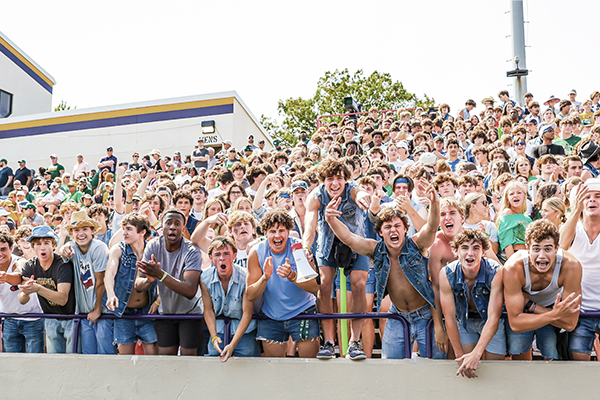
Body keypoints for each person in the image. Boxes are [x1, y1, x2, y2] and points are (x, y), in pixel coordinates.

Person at [325, 183, 444, 359]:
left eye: (397, 226)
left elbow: (432, 227)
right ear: (380, 232)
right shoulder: (375, 249)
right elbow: (350, 239)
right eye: (387, 227)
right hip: (397, 316)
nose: (393, 230)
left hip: (425, 315)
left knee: (435, 369)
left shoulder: (417, 244)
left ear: (405, 229)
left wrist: (434, 204)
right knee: (391, 370)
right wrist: (331, 220)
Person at [303, 158, 371, 360]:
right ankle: (329, 341)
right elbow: (309, 226)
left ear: (345, 180)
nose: (334, 183)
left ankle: (354, 341)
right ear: (323, 180)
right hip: (328, 246)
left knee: (359, 284)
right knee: (324, 285)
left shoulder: (352, 190)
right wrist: (307, 246)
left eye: (339, 178)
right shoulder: (316, 197)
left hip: (355, 244)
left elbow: (361, 193)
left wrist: (364, 197)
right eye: (330, 178)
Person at [503, 219, 582, 360]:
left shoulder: (571, 266)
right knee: (517, 347)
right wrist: (555, 315)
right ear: (527, 248)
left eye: (548, 249)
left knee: (552, 351)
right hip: (529, 310)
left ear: (557, 248)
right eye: (536, 249)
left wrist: (532, 306)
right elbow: (515, 323)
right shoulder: (514, 268)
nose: (541, 256)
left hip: (547, 306)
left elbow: (570, 323)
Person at [247, 209, 319, 358]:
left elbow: (314, 287)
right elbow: (251, 295)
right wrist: (265, 278)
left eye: (281, 230)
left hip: (303, 311)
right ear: (265, 233)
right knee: (275, 372)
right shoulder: (256, 252)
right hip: (271, 315)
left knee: (310, 369)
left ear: (288, 232)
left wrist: (292, 276)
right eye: (272, 231)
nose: (277, 235)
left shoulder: (299, 248)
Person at [135, 208, 203, 356]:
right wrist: (149, 280)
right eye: (169, 223)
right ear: (162, 226)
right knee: (166, 360)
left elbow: (190, 291)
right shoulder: (153, 245)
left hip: (190, 313)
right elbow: (138, 285)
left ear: (183, 228)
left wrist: (160, 275)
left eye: (177, 223)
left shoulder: (192, 251)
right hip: (165, 313)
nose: (173, 227)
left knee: (188, 361)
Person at [439, 229, 506, 378]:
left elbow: (493, 318)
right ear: (456, 251)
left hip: (489, 321)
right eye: (464, 248)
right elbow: (449, 318)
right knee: (465, 368)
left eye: (476, 248)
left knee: (495, 371)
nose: (470, 253)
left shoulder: (495, 272)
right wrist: (459, 356)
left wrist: (477, 353)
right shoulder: (446, 274)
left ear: (483, 252)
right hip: (465, 321)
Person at [3, 226, 76, 353]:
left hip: (71, 318)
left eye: (46, 243)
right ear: (32, 247)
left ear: (54, 245)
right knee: (54, 362)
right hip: (50, 318)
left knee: (72, 359)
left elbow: (62, 299)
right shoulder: (30, 265)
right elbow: (22, 299)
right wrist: (25, 291)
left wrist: (37, 288)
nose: (42, 247)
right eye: (37, 244)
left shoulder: (62, 265)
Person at [58, 210, 115, 354]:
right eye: (76, 230)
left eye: (85, 229)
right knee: (88, 356)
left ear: (92, 231)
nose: (80, 233)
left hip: (102, 313)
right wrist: (63, 248)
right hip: (84, 313)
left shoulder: (99, 248)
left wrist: (97, 310)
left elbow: (101, 282)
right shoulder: (73, 247)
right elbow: (62, 252)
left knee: (105, 354)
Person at [104, 213, 158, 355]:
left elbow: (165, 278)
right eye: (123, 228)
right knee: (125, 362)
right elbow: (110, 272)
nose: (124, 233)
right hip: (124, 313)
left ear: (142, 232)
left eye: (128, 229)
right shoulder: (118, 249)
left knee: (153, 359)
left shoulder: (153, 250)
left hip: (148, 313)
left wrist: (159, 301)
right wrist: (110, 294)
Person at [200, 236, 259, 361]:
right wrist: (214, 336)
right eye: (217, 254)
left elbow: (247, 314)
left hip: (244, 331)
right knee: (214, 365)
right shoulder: (205, 278)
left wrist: (232, 345)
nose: (222, 258)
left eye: (227, 253)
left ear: (234, 256)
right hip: (218, 328)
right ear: (210, 258)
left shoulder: (245, 277)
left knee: (248, 365)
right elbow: (208, 310)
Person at [560, 180, 600, 360]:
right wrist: (575, 211)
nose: (592, 200)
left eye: (598, 196)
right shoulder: (572, 228)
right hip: (579, 313)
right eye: (587, 197)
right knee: (579, 369)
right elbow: (561, 246)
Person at [0, 232, 44, 353]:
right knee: (13, 364)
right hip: (9, 320)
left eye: (3, 249)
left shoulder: (20, 261)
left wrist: (5, 277)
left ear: (11, 248)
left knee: (35, 362)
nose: (0, 254)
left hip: (32, 319)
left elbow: (19, 276)